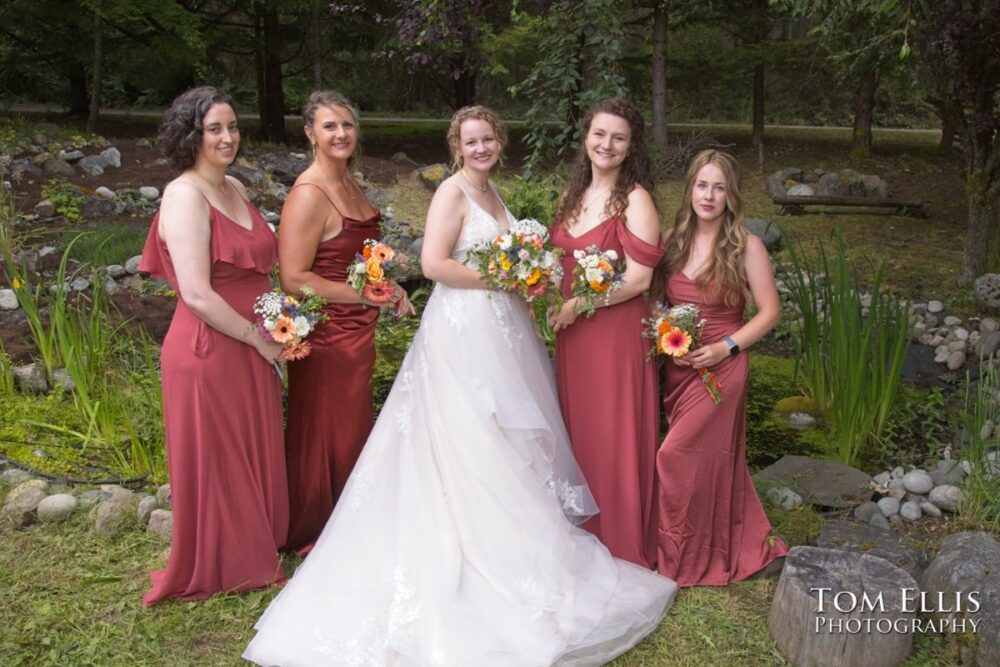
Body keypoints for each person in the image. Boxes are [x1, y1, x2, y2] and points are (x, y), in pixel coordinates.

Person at [243, 106, 676, 666]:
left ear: (499, 143)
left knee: (503, 434)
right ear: (456, 146)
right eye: (471, 141)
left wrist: (526, 278)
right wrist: (503, 275)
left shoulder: (496, 196)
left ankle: (508, 545)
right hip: (461, 330)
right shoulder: (452, 193)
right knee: (464, 435)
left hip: (503, 330)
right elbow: (432, 264)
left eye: (489, 139)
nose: (481, 148)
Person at [138, 86, 288, 605]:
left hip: (251, 341)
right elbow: (198, 292)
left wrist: (281, 323)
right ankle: (223, 560)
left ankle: (253, 543)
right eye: (215, 129)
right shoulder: (183, 194)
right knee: (219, 451)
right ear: (191, 136)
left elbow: (259, 267)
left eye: (233, 127)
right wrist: (258, 339)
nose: (228, 138)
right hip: (210, 345)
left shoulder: (236, 188)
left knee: (247, 444)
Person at [279, 91, 413, 554]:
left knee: (353, 428)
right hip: (328, 336)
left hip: (357, 332)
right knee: (327, 429)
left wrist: (386, 287)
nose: (340, 134)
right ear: (309, 133)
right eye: (329, 126)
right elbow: (295, 278)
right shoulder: (309, 193)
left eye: (347, 125)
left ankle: (352, 520)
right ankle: (318, 525)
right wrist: (365, 295)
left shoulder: (351, 183)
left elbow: (357, 259)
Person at [653, 149, 788, 587]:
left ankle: (686, 555)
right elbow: (656, 300)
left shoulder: (746, 245)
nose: (708, 196)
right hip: (680, 367)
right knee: (701, 462)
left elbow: (769, 313)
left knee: (675, 456)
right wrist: (662, 333)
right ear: (689, 187)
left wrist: (726, 347)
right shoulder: (672, 240)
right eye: (701, 185)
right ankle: (685, 544)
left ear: (731, 195)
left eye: (718, 187)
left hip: (721, 370)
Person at [548, 98, 663, 569]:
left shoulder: (635, 199)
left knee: (612, 429)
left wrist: (580, 304)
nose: (606, 144)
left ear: (630, 146)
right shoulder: (571, 195)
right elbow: (559, 259)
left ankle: (617, 534)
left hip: (613, 332)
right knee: (579, 427)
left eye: (618, 137)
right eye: (599, 134)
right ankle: (580, 529)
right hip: (573, 333)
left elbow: (639, 279)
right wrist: (548, 288)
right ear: (586, 137)